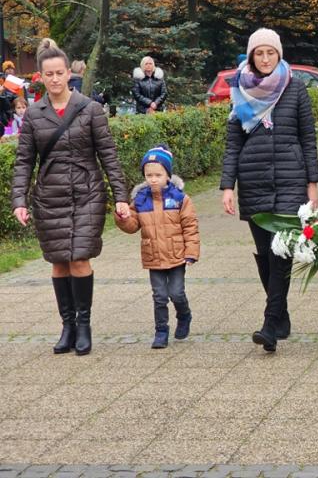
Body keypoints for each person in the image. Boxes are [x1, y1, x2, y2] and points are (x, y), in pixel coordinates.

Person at [11, 39, 129, 356]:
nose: (54, 79)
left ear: (68, 74)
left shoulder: (90, 109)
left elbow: (109, 156)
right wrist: (19, 201)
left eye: (59, 73)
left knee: (79, 258)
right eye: (48, 74)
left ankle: (85, 324)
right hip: (49, 197)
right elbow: (24, 162)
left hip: (87, 193)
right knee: (59, 262)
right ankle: (68, 326)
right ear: (41, 76)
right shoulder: (34, 115)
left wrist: (121, 196)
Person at [221, 28, 318, 353]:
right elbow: (233, 142)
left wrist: (313, 184)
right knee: (265, 254)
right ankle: (281, 313)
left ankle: (269, 324)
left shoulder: (295, 88)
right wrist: (227, 186)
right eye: (259, 53)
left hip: (292, 181)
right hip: (254, 181)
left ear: (279, 55)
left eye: (271, 53)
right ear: (251, 56)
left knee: (283, 253)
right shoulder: (241, 90)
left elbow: (309, 138)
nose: (265, 59)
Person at [115, 146, 199, 349]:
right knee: (159, 296)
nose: (153, 179)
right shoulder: (141, 200)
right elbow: (133, 225)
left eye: (158, 174)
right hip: (153, 256)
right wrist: (123, 217)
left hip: (177, 256)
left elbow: (190, 226)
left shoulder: (180, 198)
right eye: (148, 175)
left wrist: (191, 252)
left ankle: (184, 315)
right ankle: (161, 331)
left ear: (168, 175)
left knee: (176, 292)